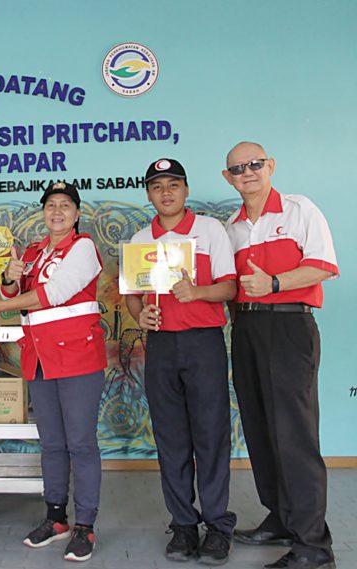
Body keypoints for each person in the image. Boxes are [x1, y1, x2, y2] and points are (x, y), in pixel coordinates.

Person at [0, 182, 107, 563]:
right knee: (51, 443)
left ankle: (85, 525)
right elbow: (21, 292)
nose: (57, 211)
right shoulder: (33, 251)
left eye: (65, 205)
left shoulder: (82, 248)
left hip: (78, 357)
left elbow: (54, 293)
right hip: (39, 358)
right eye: (50, 205)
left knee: (80, 443)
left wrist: (4, 299)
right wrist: (11, 277)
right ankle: (56, 518)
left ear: (77, 213)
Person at [222, 142, 339, 569]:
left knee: (294, 436)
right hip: (247, 329)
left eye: (255, 164)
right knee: (259, 428)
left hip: (289, 325)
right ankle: (280, 517)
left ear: (270, 166)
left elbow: (324, 265)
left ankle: (312, 545)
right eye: (238, 168)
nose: (247, 172)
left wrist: (274, 284)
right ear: (228, 178)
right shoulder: (230, 228)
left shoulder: (298, 209)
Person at [125, 159, 237, 565]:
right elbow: (131, 294)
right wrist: (140, 315)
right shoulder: (140, 238)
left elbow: (230, 287)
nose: (166, 193)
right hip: (161, 349)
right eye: (157, 187)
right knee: (171, 440)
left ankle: (218, 527)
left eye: (173, 185)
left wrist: (199, 292)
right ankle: (184, 526)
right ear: (149, 195)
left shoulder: (210, 231)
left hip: (203, 344)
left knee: (210, 437)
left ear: (186, 190)